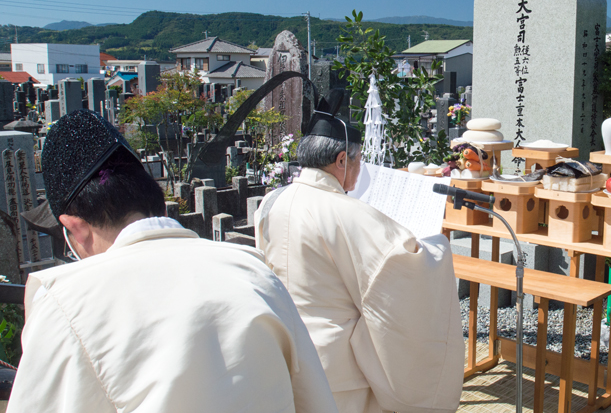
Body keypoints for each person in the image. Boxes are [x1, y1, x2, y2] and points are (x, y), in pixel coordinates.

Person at [8, 110, 338, 413]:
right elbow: (314, 400)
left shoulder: (65, 305)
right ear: (159, 203)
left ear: (74, 229)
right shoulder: (254, 272)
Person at [255, 89, 463, 413]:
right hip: (335, 369)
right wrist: (437, 247)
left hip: (285, 353)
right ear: (341, 160)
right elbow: (402, 266)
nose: (358, 170)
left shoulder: (271, 202)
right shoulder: (348, 212)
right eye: (357, 160)